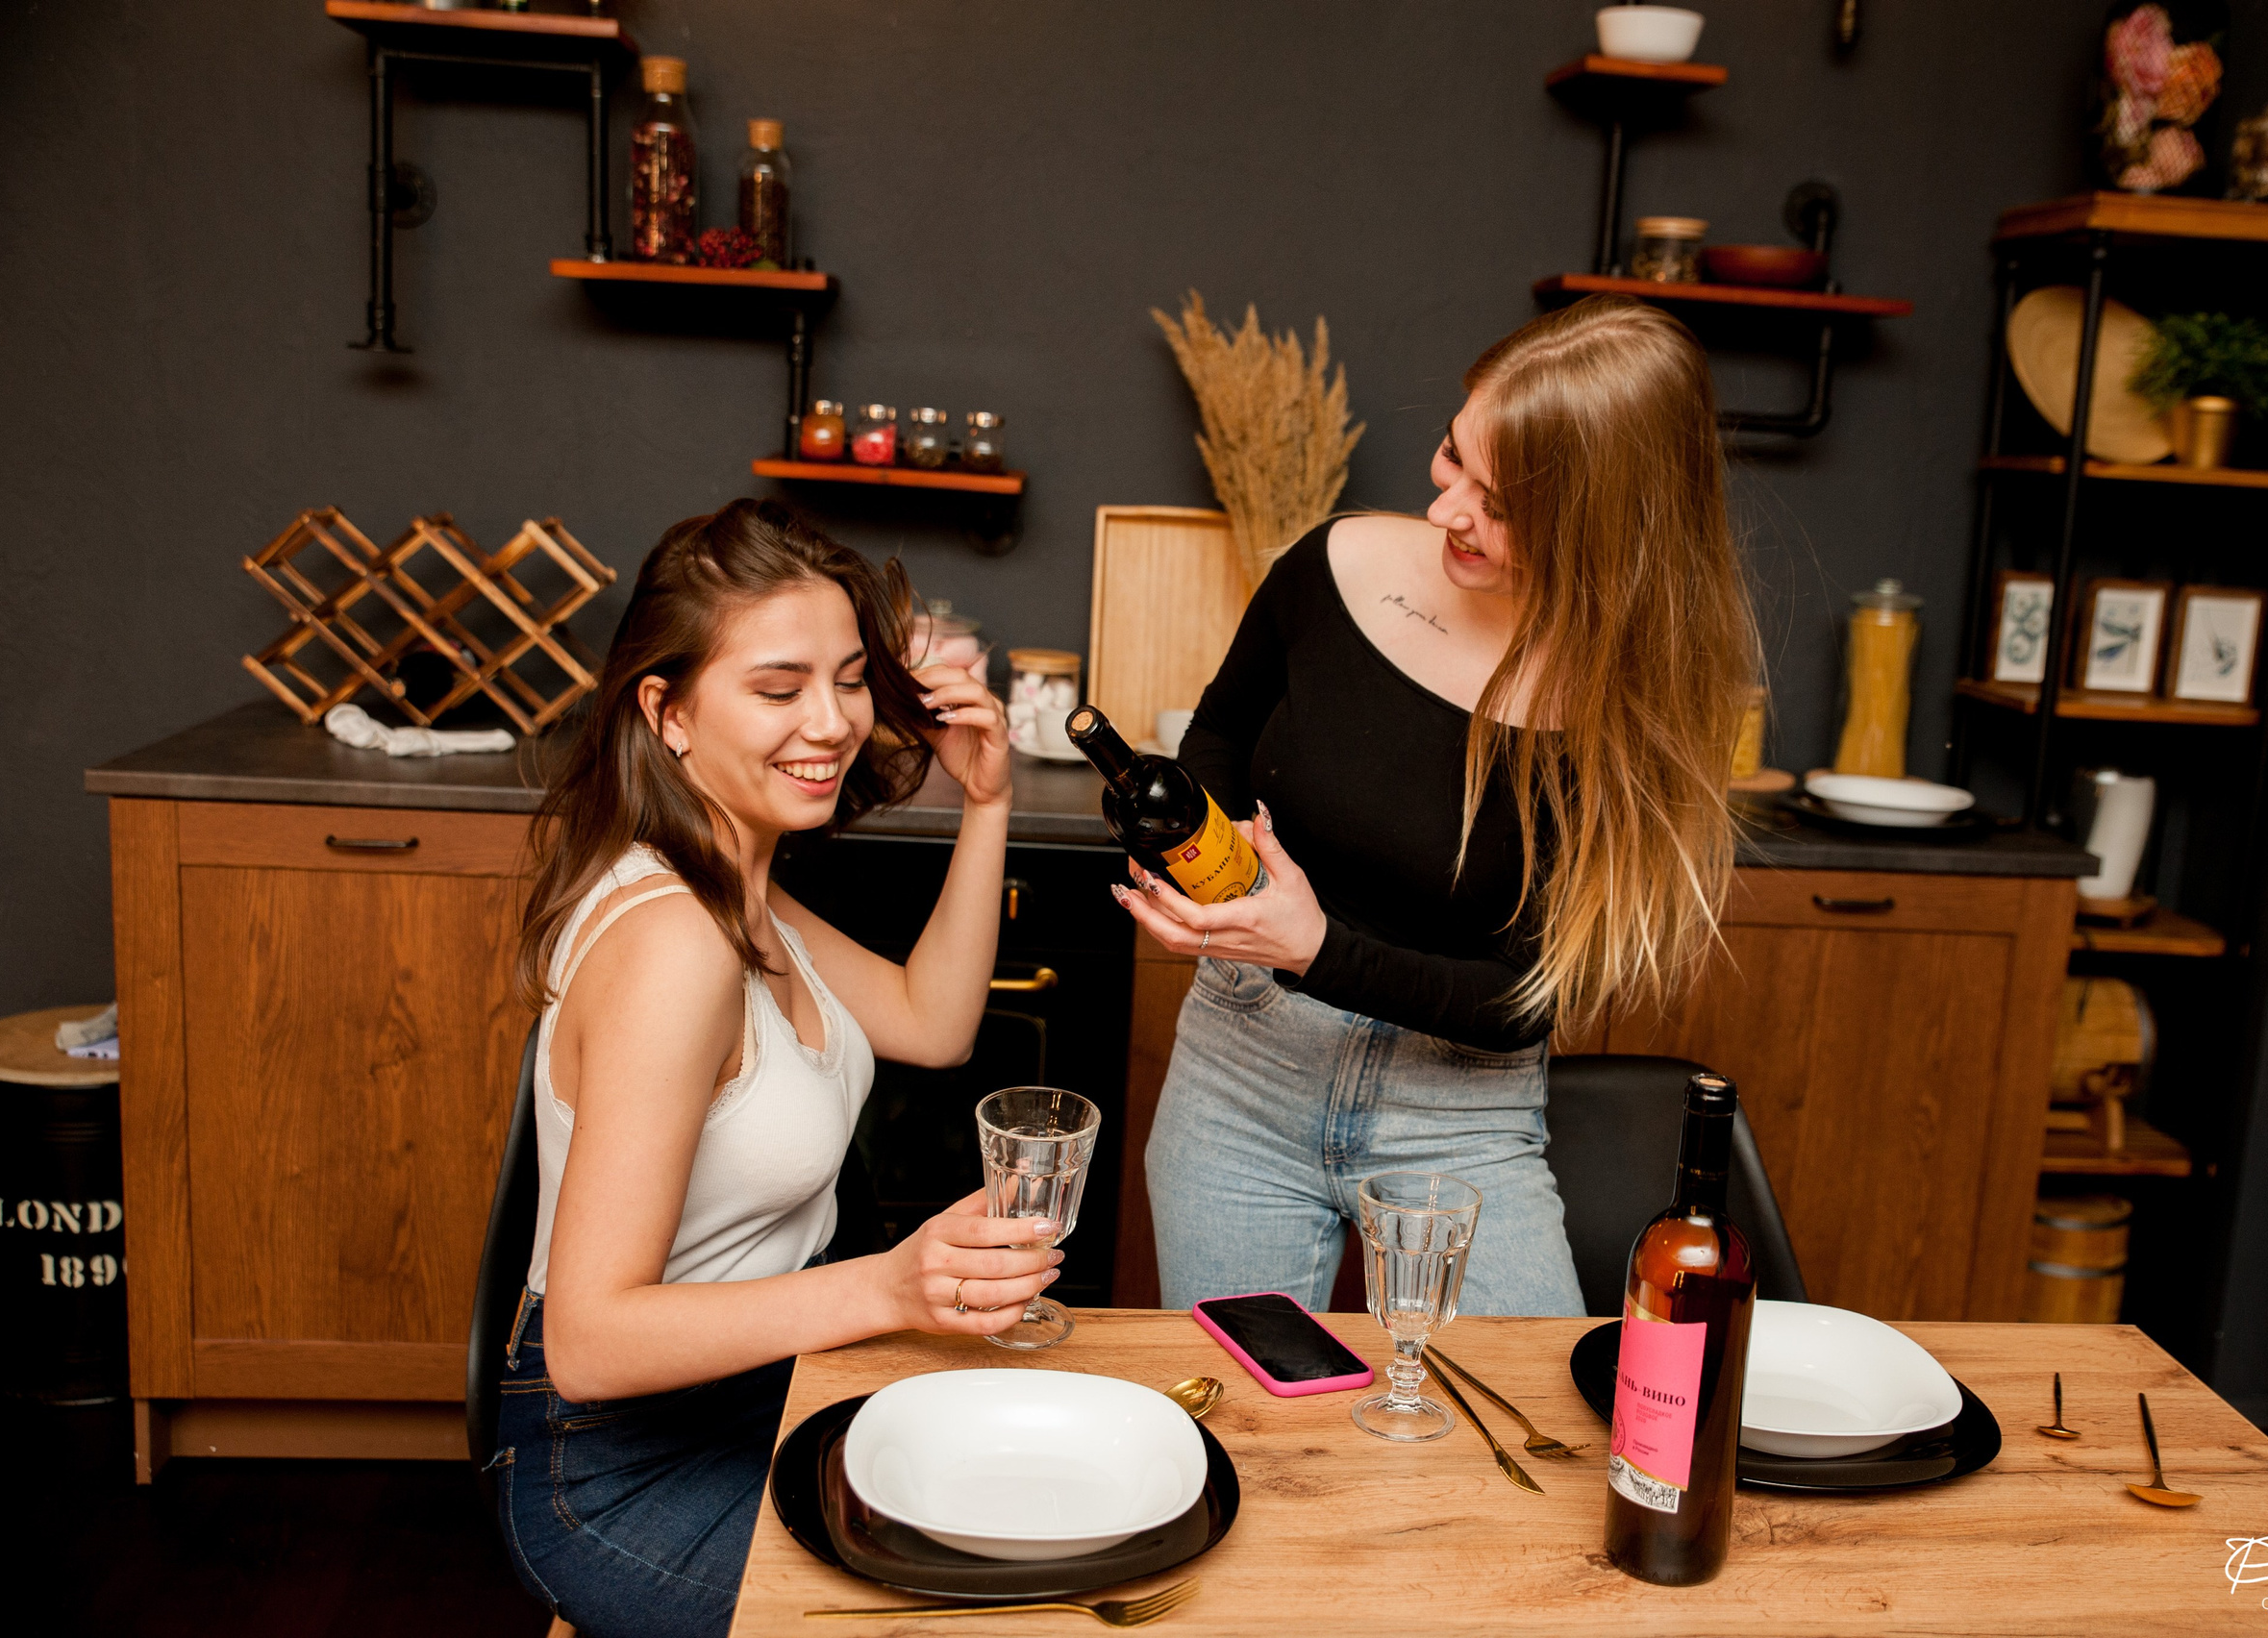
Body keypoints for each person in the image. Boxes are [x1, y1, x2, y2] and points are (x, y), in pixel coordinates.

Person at [1116, 297, 1759, 1316]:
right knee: (1239, 1402)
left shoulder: (1634, 710)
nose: (1449, 512)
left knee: (1518, 1411)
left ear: (1602, 528)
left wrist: (1315, 948)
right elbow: (1223, 735)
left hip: (1458, 1116)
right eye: (1453, 456)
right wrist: (1209, 862)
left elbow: (1525, 1001)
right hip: (1242, 1072)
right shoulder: (1333, 566)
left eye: (1500, 505)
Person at [488, 499, 1051, 1638]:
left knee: (1040, 1528)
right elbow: (588, 1345)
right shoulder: (674, 944)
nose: (832, 723)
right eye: (779, 688)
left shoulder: (738, 890)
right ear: (668, 711)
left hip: (773, 1394)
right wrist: (889, 1288)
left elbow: (932, 1022)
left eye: (849, 680)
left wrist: (986, 803)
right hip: (628, 1470)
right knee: (1003, 1613)